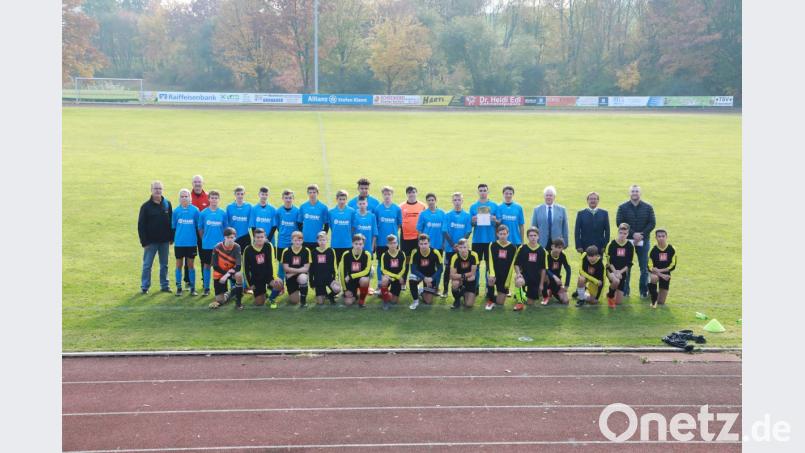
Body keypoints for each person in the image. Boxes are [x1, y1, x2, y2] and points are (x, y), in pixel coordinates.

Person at [615, 185, 656, 298]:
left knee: (644, 267)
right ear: (629, 193)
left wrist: (641, 235)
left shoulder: (648, 207)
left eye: (637, 191)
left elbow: (652, 223)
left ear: (640, 193)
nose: (634, 193)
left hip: (644, 241)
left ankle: (643, 291)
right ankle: (625, 291)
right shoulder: (622, 207)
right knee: (626, 267)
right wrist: (633, 234)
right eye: (633, 191)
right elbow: (619, 222)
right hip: (626, 242)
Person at [138, 181, 173, 294]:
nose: (158, 190)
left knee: (164, 265)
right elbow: (141, 225)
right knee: (147, 265)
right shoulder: (145, 206)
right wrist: (144, 242)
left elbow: (171, 222)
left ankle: (165, 285)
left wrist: (171, 238)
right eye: (155, 188)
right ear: (151, 190)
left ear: (162, 190)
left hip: (164, 242)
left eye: (160, 188)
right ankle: (145, 286)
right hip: (150, 242)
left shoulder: (167, 204)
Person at [242, 228, 284, 308]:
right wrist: (249, 284)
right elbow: (245, 268)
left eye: (262, 237)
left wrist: (275, 277)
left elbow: (273, 262)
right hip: (256, 278)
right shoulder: (248, 250)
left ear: (265, 237)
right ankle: (263, 292)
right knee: (259, 303)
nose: (260, 239)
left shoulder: (269, 245)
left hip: (268, 276)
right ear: (254, 237)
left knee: (279, 283)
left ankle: (272, 298)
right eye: (258, 237)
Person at [469, 183, 498, 297]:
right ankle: (475, 287)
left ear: (488, 191)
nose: (482, 192)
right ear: (478, 192)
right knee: (475, 265)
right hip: (477, 240)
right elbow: (470, 224)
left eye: (484, 190)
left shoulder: (494, 206)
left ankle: (488, 288)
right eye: (480, 190)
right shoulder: (473, 206)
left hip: (490, 240)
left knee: (489, 266)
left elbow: (499, 223)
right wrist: (473, 220)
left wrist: (495, 219)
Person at [198, 191, 228, 296]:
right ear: (209, 199)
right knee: (207, 266)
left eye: (216, 198)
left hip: (220, 246)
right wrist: (205, 239)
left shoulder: (223, 213)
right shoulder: (203, 213)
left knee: (222, 267)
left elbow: (225, 230)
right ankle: (206, 288)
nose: (214, 200)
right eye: (212, 198)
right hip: (207, 245)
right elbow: (200, 229)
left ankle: (223, 289)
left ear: (218, 199)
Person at [442, 192, 472, 297]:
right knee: (447, 269)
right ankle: (445, 291)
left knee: (462, 269)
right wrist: (453, 245)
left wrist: (460, 245)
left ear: (462, 201)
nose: (457, 202)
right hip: (450, 249)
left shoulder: (467, 215)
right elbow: (444, 231)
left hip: (462, 249)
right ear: (452, 201)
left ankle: (462, 290)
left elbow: (468, 231)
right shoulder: (447, 215)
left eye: (459, 200)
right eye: (455, 200)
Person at [171, 189, 200, 296]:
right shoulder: (176, 211)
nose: (184, 198)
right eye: (182, 196)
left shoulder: (195, 211)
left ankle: (192, 288)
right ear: (179, 198)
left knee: (191, 265)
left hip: (191, 243)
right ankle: (179, 287)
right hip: (179, 243)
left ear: (190, 198)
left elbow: (198, 227)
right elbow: (173, 227)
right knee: (178, 265)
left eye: (186, 196)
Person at [208, 227, 244, 310]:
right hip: (219, 273)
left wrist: (227, 275)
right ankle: (233, 291)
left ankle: (238, 303)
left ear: (235, 237)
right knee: (220, 301)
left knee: (239, 275)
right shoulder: (217, 247)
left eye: (232, 237)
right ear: (224, 237)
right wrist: (225, 274)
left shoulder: (237, 247)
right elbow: (215, 266)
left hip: (231, 272)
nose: (230, 240)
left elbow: (238, 266)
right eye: (228, 237)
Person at [374, 186, 403, 289]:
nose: (387, 196)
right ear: (382, 195)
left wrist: (393, 235)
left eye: (389, 194)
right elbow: (375, 225)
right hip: (381, 241)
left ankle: (394, 283)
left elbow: (399, 224)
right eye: (385, 194)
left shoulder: (397, 208)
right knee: (380, 263)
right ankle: (380, 283)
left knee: (394, 263)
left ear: (392, 195)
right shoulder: (378, 209)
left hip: (394, 242)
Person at [513, 227, 547, 310]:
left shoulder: (542, 251)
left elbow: (543, 269)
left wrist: (541, 284)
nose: (533, 237)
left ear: (538, 236)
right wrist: (518, 274)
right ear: (527, 237)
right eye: (530, 235)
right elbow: (516, 264)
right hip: (525, 276)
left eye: (535, 235)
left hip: (535, 279)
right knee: (518, 281)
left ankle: (523, 296)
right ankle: (520, 302)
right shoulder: (522, 248)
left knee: (530, 303)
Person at [185, 175, 209, 289]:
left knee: (204, 257)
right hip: (190, 232)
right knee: (189, 257)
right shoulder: (188, 197)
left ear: (202, 183)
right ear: (192, 183)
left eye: (199, 182)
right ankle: (188, 281)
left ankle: (205, 281)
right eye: (195, 182)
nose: (197, 184)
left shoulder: (208, 197)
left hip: (203, 232)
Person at [408, 233, 443, 310]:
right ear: (418, 244)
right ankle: (415, 301)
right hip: (419, 275)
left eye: (425, 243)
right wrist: (424, 278)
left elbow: (440, 269)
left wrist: (432, 278)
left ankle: (420, 291)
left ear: (429, 243)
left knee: (428, 301)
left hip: (431, 276)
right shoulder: (415, 252)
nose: (423, 246)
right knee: (412, 277)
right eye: (421, 244)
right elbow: (413, 269)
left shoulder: (435, 252)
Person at [486, 224, 517, 310]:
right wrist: (492, 274)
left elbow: (512, 266)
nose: (503, 236)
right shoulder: (492, 245)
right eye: (501, 234)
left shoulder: (513, 247)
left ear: (508, 234)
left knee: (500, 303)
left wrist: (508, 281)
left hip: (504, 276)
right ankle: (490, 300)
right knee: (490, 280)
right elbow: (490, 260)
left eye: (504, 234)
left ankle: (494, 295)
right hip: (494, 274)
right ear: (497, 234)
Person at [227, 186, 252, 291]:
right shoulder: (229, 207)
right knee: (232, 263)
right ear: (235, 195)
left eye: (242, 194)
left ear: (244, 194)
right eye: (238, 194)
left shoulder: (249, 207)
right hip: (233, 239)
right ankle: (233, 285)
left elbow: (252, 223)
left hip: (245, 237)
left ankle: (247, 285)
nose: (240, 196)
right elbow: (227, 224)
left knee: (246, 263)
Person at [605, 223, 636, 308]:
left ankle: (610, 292)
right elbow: (608, 261)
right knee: (616, 281)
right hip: (611, 270)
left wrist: (620, 272)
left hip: (622, 273)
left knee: (618, 302)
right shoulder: (611, 244)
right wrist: (615, 272)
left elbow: (629, 263)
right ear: (618, 232)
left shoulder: (630, 245)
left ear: (628, 234)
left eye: (625, 233)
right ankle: (610, 297)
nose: (622, 235)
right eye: (621, 233)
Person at [339, 234, 372, 308]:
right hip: (350, 281)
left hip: (360, 279)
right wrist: (345, 289)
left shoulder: (367, 254)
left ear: (363, 245)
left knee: (365, 280)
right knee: (348, 302)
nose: (358, 246)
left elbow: (367, 271)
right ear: (352, 244)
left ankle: (362, 299)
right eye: (356, 244)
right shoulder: (346, 254)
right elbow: (342, 272)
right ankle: (355, 295)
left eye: (360, 244)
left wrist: (351, 276)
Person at [275, 189, 301, 280]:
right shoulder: (278, 211)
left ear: (293, 198)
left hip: (294, 243)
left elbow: (299, 225)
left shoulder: (297, 211)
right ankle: (280, 285)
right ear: (282, 198)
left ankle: (293, 284)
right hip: (282, 242)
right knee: (281, 264)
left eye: (290, 198)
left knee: (294, 263)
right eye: (286, 198)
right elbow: (278, 226)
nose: (288, 200)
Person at [281, 231, 311, 307]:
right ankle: (297, 291)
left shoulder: (306, 250)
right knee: (294, 301)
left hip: (297, 275)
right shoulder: (286, 251)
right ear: (291, 240)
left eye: (299, 240)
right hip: (290, 278)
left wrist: (293, 273)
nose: (297, 242)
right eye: (295, 240)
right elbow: (285, 268)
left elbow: (306, 269)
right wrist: (299, 270)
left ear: (302, 241)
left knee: (303, 278)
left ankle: (303, 301)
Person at [310, 231, 341, 306]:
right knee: (320, 302)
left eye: (324, 240)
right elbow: (311, 268)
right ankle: (323, 293)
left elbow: (335, 266)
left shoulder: (331, 251)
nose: (322, 242)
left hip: (329, 278)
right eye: (320, 240)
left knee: (337, 289)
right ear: (317, 241)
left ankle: (330, 296)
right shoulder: (313, 252)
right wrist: (311, 281)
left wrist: (335, 279)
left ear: (327, 240)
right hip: (318, 279)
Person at [648, 229, 677, 308]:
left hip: (665, 273)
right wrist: (660, 274)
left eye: (663, 236)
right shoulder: (653, 250)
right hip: (655, 273)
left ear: (666, 237)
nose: (661, 238)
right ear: (656, 238)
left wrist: (661, 272)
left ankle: (651, 291)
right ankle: (653, 299)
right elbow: (649, 266)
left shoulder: (672, 249)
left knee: (661, 302)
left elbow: (673, 265)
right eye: (659, 236)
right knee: (654, 278)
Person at [574, 191, 610, 255]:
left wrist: (605, 246)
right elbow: (577, 231)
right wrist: (578, 245)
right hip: (584, 246)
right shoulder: (581, 214)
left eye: (595, 199)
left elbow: (607, 231)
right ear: (587, 201)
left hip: (599, 247)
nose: (593, 201)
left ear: (598, 200)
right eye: (591, 199)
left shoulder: (604, 213)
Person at [328, 190, 357, 265]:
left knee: (347, 266)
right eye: (340, 199)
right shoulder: (331, 212)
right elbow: (330, 226)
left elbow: (353, 227)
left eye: (344, 199)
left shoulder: (351, 211)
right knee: (335, 266)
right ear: (336, 199)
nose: (342, 201)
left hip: (347, 244)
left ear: (346, 200)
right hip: (335, 244)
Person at [449, 238, 479, 309]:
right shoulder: (455, 257)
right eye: (460, 247)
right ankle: (457, 300)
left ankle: (463, 292)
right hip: (460, 280)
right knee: (455, 283)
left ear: (468, 247)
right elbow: (452, 275)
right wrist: (463, 277)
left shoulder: (474, 255)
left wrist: (460, 276)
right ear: (457, 248)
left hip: (469, 280)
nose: (463, 250)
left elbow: (472, 273)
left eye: (464, 247)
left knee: (469, 305)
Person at [379, 235, 407, 310]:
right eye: (391, 243)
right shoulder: (384, 255)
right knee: (384, 280)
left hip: (398, 277)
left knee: (394, 301)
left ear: (397, 244)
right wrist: (396, 277)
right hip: (389, 277)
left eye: (394, 243)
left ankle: (383, 293)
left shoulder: (402, 254)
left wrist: (399, 276)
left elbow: (404, 268)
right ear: (387, 245)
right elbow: (383, 270)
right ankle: (385, 301)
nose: (393, 245)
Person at [298, 184, 329, 249]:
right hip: (305, 239)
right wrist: (303, 234)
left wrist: (322, 237)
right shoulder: (303, 207)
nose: (312, 194)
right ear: (307, 193)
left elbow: (326, 225)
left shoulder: (323, 207)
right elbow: (299, 223)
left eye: (314, 192)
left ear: (317, 193)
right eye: (310, 192)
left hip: (318, 240)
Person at [400, 186, 426, 257]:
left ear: (416, 193)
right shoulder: (401, 207)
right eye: (409, 193)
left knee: (417, 257)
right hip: (405, 237)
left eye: (413, 192)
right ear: (406, 194)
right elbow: (399, 222)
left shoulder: (422, 206)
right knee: (406, 258)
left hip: (418, 237)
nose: (411, 194)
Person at [544, 238, 571, 305]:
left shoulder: (563, 256)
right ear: (552, 246)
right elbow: (545, 269)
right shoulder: (547, 255)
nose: (557, 249)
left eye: (560, 248)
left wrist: (566, 285)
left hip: (556, 282)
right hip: (547, 280)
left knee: (565, 301)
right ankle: (546, 291)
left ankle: (552, 292)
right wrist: (554, 277)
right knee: (544, 275)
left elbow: (568, 269)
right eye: (556, 247)